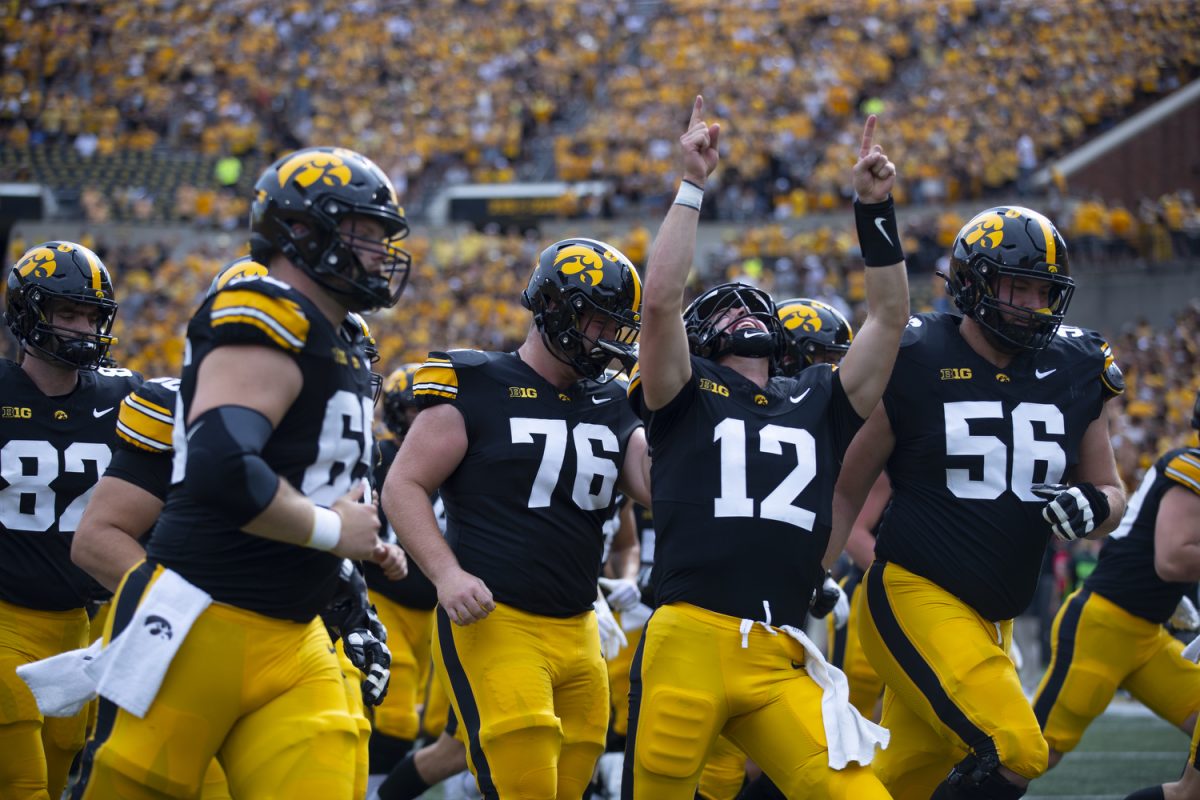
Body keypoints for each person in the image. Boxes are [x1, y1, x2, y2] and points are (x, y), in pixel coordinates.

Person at [71, 145, 410, 799]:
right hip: (200, 619)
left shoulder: (335, 338)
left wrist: (356, 565)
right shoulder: (265, 307)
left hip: (297, 634)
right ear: (303, 232)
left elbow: (312, 492)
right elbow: (224, 469)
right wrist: (334, 533)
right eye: (362, 233)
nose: (376, 252)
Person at [622, 97, 907, 799]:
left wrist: (873, 209)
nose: (748, 309)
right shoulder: (684, 396)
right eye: (728, 304)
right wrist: (692, 185)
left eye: (760, 307)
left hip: (781, 648)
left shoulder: (817, 397)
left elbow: (891, 317)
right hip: (689, 639)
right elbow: (658, 304)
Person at [835, 203, 1128, 800]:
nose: (1029, 303)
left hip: (993, 618)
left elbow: (1113, 491)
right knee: (1017, 748)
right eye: (1015, 285)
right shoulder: (916, 355)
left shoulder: (1075, 365)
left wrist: (1094, 508)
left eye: (1042, 290)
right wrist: (803, 578)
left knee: (893, 786)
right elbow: (846, 486)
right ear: (971, 282)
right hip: (914, 593)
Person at [381, 235, 651, 799]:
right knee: (524, 780)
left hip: (579, 627)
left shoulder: (614, 400)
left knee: (570, 785)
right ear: (555, 308)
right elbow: (403, 485)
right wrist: (446, 573)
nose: (609, 340)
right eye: (600, 322)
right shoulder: (475, 382)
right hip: (495, 619)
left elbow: (655, 489)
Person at [0, 241, 140, 800]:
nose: (82, 328)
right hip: (5, 623)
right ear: (28, 313)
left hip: (80, 629)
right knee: (25, 785)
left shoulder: (125, 398)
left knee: (60, 775)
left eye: (91, 316)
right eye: (66, 313)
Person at [1032, 389, 1200, 774]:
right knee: (1034, 752)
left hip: (1148, 634)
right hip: (1105, 626)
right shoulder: (1190, 468)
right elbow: (1173, 559)